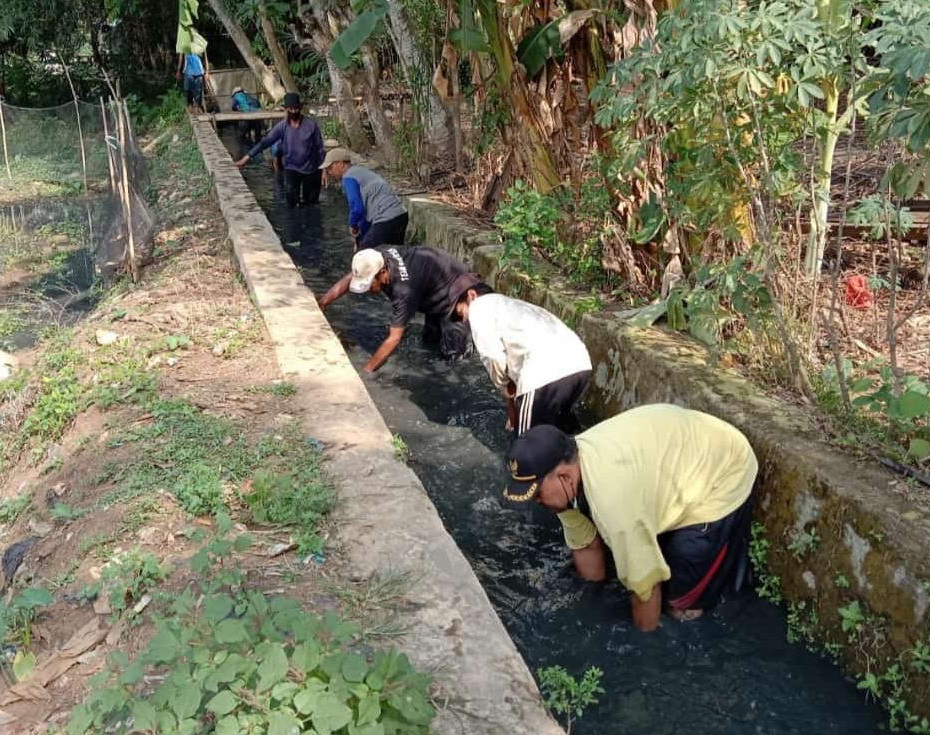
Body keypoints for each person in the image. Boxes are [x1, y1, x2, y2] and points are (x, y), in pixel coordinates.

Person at [502, 404, 758, 632]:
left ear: (565, 477)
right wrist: (592, 604)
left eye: (537, 494)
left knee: (679, 605)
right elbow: (586, 545)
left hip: (723, 470)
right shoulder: (570, 470)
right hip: (674, 456)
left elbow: (646, 586)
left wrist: (645, 650)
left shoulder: (612, 502)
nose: (536, 502)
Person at [318, 245, 489, 371]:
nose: (368, 291)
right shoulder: (378, 256)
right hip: (435, 291)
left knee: (454, 365)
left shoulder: (403, 290)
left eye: (370, 285)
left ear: (383, 273)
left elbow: (393, 339)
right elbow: (351, 277)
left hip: (463, 300)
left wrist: (367, 371)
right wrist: (323, 302)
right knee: (429, 344)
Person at [453, 290, 591, 436]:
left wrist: (503, 386)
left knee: (525, 449)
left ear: (471, 296)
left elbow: (493, 357)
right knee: (567, 437)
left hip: (544, 375)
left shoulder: (477, 309)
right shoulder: (507, 305)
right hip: (580, 365)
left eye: (461, 313)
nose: (463, 320)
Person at [235, 92, 324, 208]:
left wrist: (324, 169)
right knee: (292, 203)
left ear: (300, 108)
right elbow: (265, 142)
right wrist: (246, 158)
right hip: (292, 168)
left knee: (312, 204)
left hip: (311, 170)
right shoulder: (283, 126)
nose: (294, 112)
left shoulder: (311, 126)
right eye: (291, 109)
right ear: (286, 109)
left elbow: (320, 149)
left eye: (296, 108)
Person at [320, 148, 409, 250]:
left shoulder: (348, 178)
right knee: (394, 256)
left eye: (330, 167)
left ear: (341, 164)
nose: (329, 172)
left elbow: (357, 209)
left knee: (363, 257)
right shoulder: (361, 172)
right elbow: (365, 215)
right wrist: (359, 238)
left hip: (386, 219)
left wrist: (352, 225)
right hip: (401, 215)